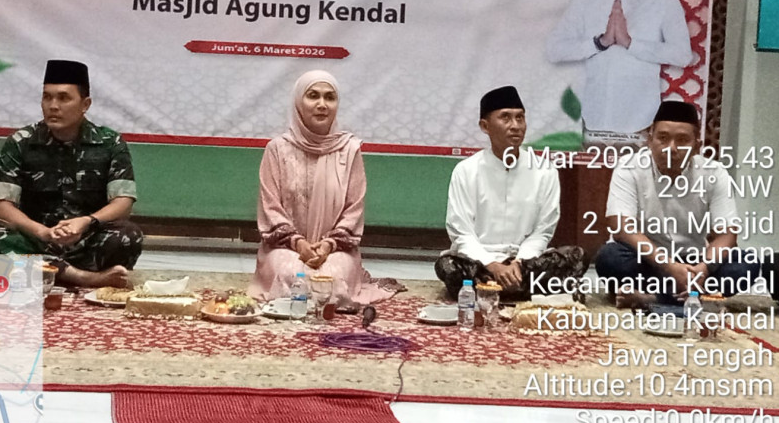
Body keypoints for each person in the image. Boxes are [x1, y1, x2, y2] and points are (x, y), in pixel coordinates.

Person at [0, 60, 141, 288]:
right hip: (35, 241)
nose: (53, 106)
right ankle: (81, 277)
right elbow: (1, 205)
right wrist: (42, 232)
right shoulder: (21, 142)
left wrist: (85, 222)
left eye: (63, 98)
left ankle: (44, 273)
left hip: (86, 241)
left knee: (129, 235)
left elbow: (123, 203)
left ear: (85, 104)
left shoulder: (110, 143)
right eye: (47, 97)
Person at [595, 101, 772, 302]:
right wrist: (670, 266)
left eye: (682, 140)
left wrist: (704, 268)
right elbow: (622, 228)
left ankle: (652, 298)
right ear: (649, 140)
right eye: (663, 138)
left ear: (697, 146)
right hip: (649, 259)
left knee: (745, 264)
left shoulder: (714, 173)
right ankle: (695, 297)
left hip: (695, 261)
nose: (671, 148)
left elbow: (727, 235)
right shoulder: (628, 167)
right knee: (611, 258)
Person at [249, 70, 399, 304]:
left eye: (330, 97)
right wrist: (298, 243)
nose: (322, 104)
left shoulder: (349, 150)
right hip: (284, 247)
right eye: (313, 96)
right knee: (290, 274)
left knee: (332, 278)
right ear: (298, 102)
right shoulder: (277, 149)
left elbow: (354, 209)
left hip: (337, 249)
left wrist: (329, 244)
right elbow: (270, 208)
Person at [546, 0, 692, 141]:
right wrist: (600, 42)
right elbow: (555, 50)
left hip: (641, 125)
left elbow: (682, 55)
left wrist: (630, 43)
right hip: (593, 122)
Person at [435, 86, 587, 300]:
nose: (515, 126)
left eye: (520, 118)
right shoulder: (466, 170)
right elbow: (461, 232)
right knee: (447, 266)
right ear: (485, 126)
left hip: (525, 263)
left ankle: (492, 289)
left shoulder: (545, 170)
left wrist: (519, 262)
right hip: (481, 263)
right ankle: (523, 290)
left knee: (577, 257)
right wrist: (493, 265)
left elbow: (543, 231)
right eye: (505, 117)